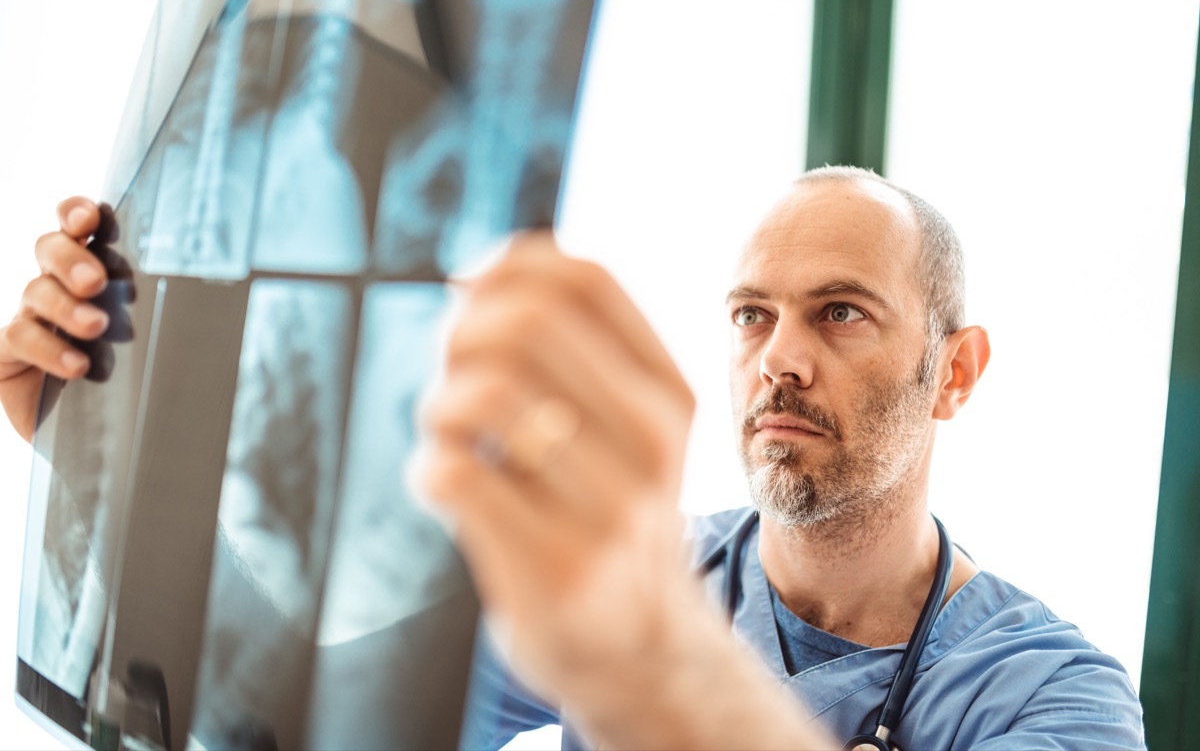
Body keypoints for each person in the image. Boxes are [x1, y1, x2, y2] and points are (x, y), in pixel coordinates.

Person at [1, 168, 1145, 749]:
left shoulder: (1052, 693)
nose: (778, 362)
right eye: (752, 316)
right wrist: (86, 445)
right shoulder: (645, 574)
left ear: (955, 371)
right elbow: (304, 715)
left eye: (840, 313)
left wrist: (648, 667)